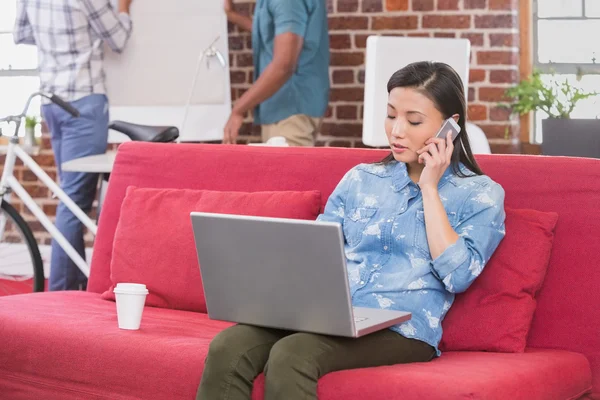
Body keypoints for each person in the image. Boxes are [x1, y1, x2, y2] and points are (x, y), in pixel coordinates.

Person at [196, 61, 506, 399]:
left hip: (403, 329)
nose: (396, 131)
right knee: (228, 345)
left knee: (293, 354)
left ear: (451, 126)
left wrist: (430, 189)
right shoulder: (361, 179)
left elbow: (458, 276)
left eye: (413, 120)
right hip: (331, 314)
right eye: (391, 115)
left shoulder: (480, 194)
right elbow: (314, 252)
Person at [13, 0, 134, 291]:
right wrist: (124, 9)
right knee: (74, 202)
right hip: (84, 103)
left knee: (69, 195)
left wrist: (57, 42)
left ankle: (76, 283)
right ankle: (61, 292)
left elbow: (21, 34)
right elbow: (118, 38)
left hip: (52, 102)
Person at [222, 0, 330, 146]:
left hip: (290, 111)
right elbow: (274, 32)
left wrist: (238, 110)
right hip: (284, 109)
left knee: (287, 168)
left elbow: (284, 64)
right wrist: (233, 15)